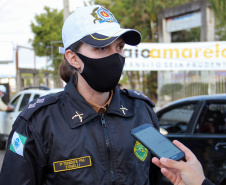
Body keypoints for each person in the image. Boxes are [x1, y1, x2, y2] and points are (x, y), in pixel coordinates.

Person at [0, 5, 162, 185]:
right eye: (101, 48)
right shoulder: (38, 122)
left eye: (120, 47)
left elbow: (161, 177)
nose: (115, 57)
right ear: (73, 58)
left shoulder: (141, 110)